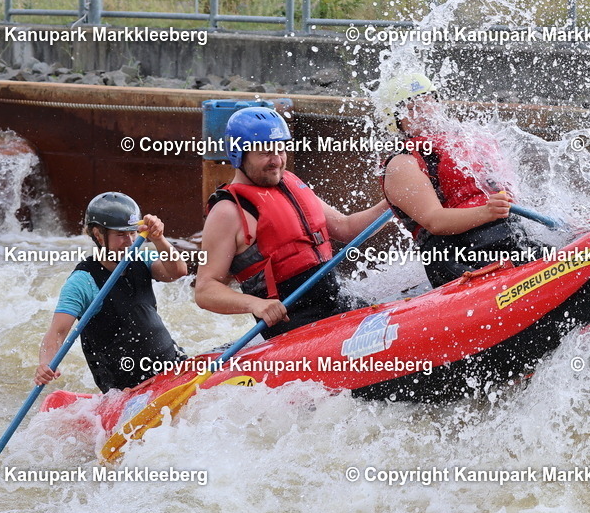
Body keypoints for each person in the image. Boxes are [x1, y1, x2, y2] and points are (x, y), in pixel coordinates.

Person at [195, 107, 389, 339]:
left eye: (281, 149)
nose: (277, 160)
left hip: (338, 305)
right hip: (295, 327)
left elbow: (346, 228)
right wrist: (254, 304)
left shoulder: (291, 183)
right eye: (266, 152)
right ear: (239, 153)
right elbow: (205, 289)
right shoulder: (228, 211)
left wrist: (394, 202)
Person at [377, 72, 540, 288]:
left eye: (428, 102)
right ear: (395, 120)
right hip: (458, 258)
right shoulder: (401, 164)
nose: (425, 111)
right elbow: (435, 221)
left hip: (506, 239)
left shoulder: (464, 142)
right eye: (410, 108)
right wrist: (487, 212)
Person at [34, 192, 188, 392]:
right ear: (98, 235)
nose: (131, 241)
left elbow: (177, 271)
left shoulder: (141, 258)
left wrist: (159, 239)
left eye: (133, 233)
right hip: (126, 390)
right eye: (121, 235)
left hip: (171, 367)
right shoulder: (83, 281)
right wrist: (45, 365)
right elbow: (57, 333)